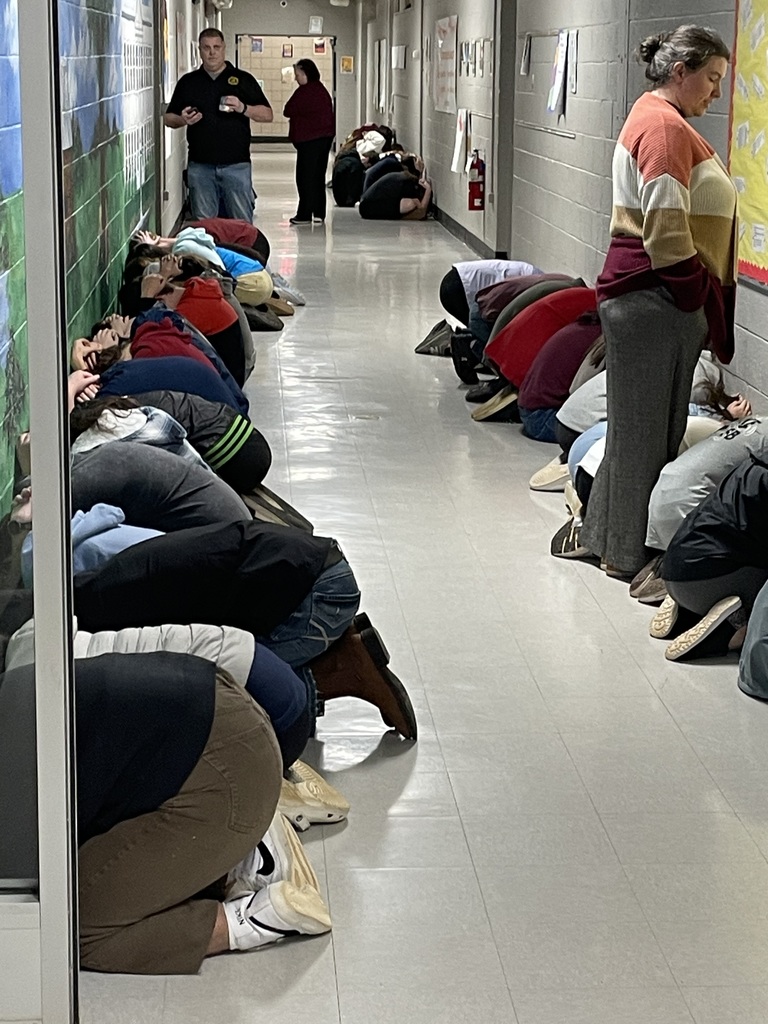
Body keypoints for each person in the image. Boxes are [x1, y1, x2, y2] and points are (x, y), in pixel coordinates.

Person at [0, 652, 330, 973]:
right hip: (226, 712)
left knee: (74, 922)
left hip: (227, 775)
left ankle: (250, 919)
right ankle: (242, 857)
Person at [575, 25, 736, 577]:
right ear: (680, 71)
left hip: (646, 299)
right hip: (656, 300)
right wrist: (695, 296)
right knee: (648, 438)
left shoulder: (655, 115)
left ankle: (604, 539)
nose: (717, 92)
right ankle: (627, 556)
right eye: (711, 78)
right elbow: (667, 234)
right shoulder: (665, 128)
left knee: (634, 432)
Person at [164, 29, 273, 221]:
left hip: (236, 165)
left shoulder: (243, 80)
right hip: (200, 166)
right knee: (205, 229)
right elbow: (169, 119)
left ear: (224, 49)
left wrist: (243, 107)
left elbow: (267, 114)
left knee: (241, 224)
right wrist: (183, 120)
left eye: (216, 47)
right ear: (199, 50)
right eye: (206, 48)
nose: (212, 52)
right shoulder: (189, 82)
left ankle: (243, 252)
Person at [283, 60, 336, 225]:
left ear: (306, 74)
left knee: (305, 177)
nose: (297, 79)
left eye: (298, 75)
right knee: (318, 176)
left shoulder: (306, 92)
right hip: (324, 139)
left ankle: (304, 214)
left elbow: (288, 110)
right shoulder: (321, 90)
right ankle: (319, 213)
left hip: (310, 141)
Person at [358, 165, 432, 221]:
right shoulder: (408, 189)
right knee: (410, 204)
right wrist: (428, 190)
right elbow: (421, 213)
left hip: (365, 204)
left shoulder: (402, 179)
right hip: (367, 208)